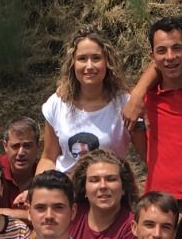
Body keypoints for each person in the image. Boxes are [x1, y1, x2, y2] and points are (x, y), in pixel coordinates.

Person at [122, 15, 182, 198]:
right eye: (161, 50)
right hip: (159, 201)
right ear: (152, 57)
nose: (170, 57)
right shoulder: (143, 101)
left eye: (177, 48)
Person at [38, 30, 129, 174]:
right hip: (66, 191)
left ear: (107, 61)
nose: (89, 66)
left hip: (106, 190)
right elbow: (49, 157)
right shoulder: (57, 103)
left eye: (96, 58)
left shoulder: (124, 103)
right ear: (72, 63)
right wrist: (37, 192)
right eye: (82, 59)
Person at [69, 148, 141, 239]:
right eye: (94, 180)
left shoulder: (131, 226)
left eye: (111, 179)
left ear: (123, 188)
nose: (103, 186)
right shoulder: (71, 216)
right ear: (84, 189)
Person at [0, 116, 40, 212]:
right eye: (15, 146)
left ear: (38, 146)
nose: (21, 153)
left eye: (27, 146)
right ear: (5, 146)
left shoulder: (47, 173)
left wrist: (8, 213)